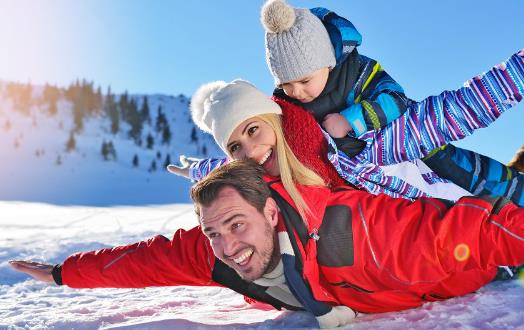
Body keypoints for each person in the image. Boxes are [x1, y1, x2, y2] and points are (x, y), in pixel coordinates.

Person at [9, 160, 524, 328]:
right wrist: (61, 274)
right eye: (213, 231)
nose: (228, 246)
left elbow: (474, 229)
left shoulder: (356, 233)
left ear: (271, 211)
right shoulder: (219, 254)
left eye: (236, 225)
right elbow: (144, 260)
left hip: (481, 268)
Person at [169, 50, 524, 205]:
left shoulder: (371, 142)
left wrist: (518, 72)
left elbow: (457, 110)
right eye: (234, 147)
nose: (251, 152)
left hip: (480, 218)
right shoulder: (276, 174)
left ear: (276, 120)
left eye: (252, 131)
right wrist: (205, 170)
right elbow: (239, 169)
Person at [261, 0, 524, 204]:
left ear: (327, 64)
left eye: (305, 81)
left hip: (414, 149)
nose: (296, 91)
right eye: (286, 84)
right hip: (379, 183)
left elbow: (395, 100)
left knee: (473, 177)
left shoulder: (358, 73)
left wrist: (353, 119)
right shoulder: (289, 108)